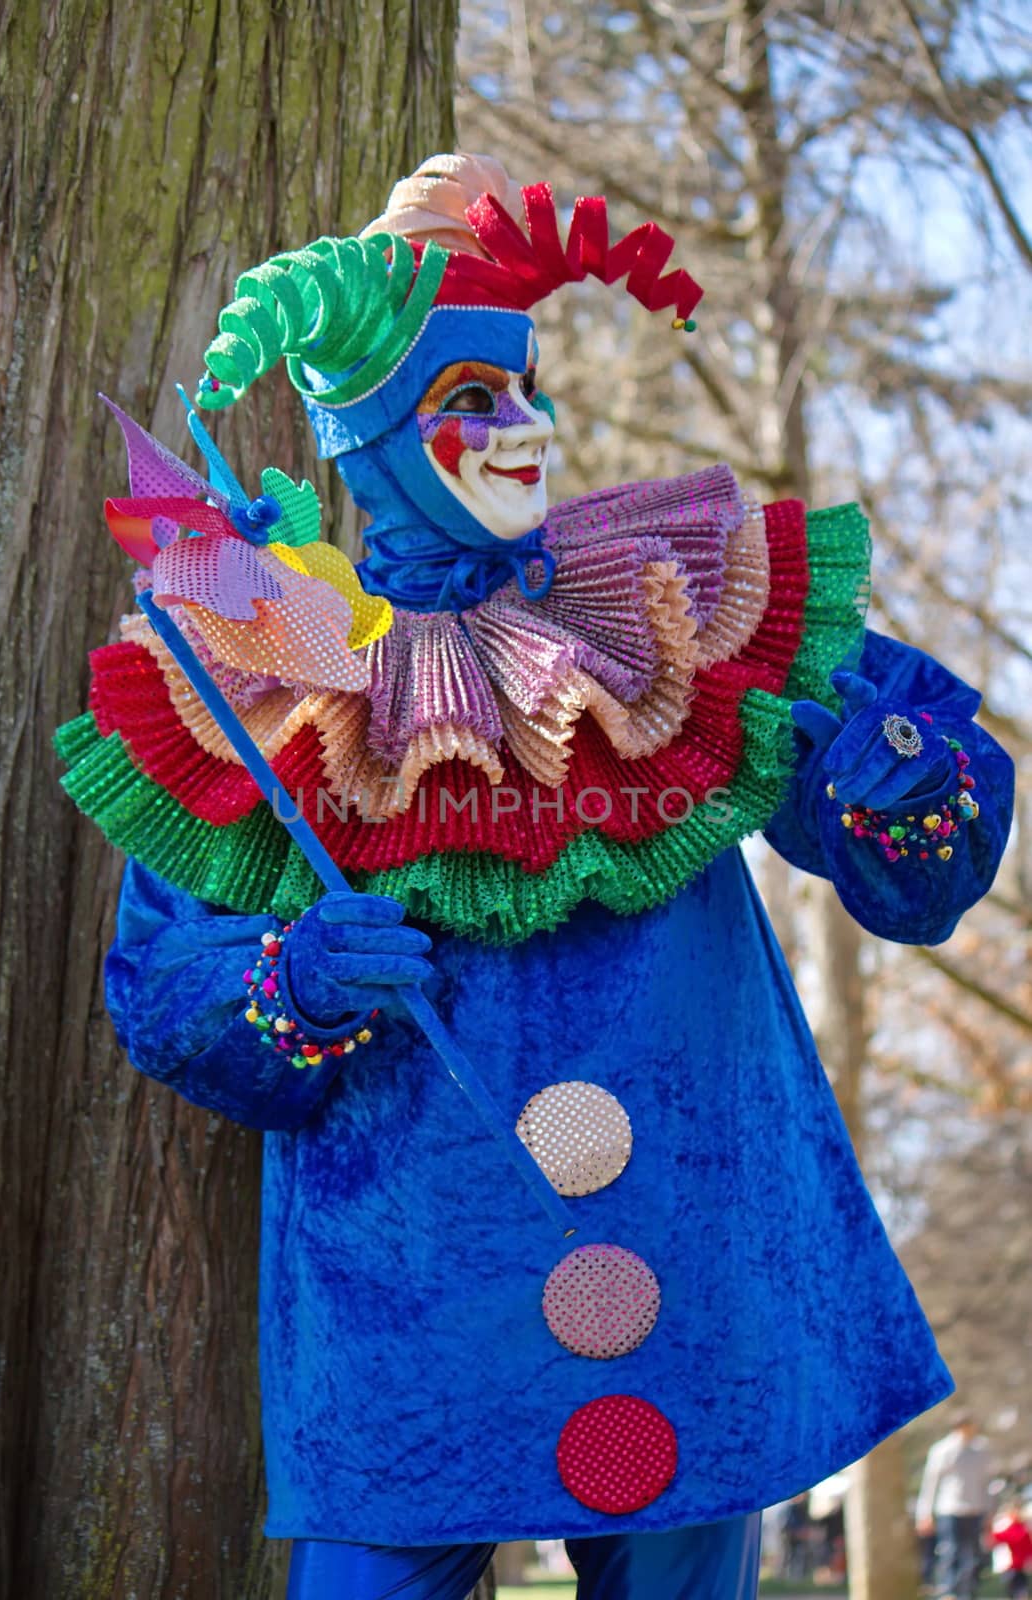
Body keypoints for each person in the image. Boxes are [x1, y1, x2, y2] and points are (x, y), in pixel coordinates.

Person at [56, 154, 1015, 1600]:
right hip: (409, 1310)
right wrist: (292, 985)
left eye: (524, 389)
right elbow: (171, 996)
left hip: (687, 1282)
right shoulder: (273, 664)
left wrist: (898, 773)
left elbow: (913, 878)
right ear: (368, 432)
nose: (525, 429)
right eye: (467, 403)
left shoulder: (669, 612)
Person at [916, 1412, 995, 1600]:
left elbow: (987, 1483)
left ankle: (968, 1591)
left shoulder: (981, 1450)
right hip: (949, 1509)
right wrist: (925, 1513)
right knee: (950, 1551)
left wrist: (991, 1511)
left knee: (973, 1553)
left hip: (975, 1508)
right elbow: (931, 1484)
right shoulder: (943, 1450)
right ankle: (949, 1591)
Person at [991, 1501, 1032, 1599]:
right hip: (1010, 1566)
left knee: (1020, 1588)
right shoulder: (1009, 1528)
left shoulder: (1022, 1529)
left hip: (1019, 1565)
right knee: (1014, 1588)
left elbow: (1028, 1546)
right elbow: (997, 1538)